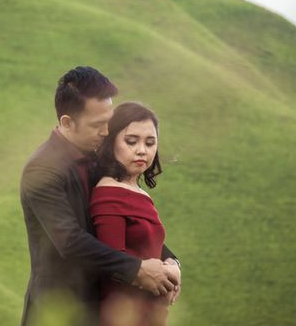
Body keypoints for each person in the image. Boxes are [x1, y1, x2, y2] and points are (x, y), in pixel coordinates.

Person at [19, 67, 181, 326]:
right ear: (67, 123)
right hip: (59, 311)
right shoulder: (42, 169)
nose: (107, 132)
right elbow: (70, 241)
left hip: (102, 308)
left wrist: (170, 261)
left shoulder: (98, 159)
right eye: (97, 125)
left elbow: (131, 221)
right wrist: (137, 270)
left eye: (108, 121)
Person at [90, 102, 181, 326]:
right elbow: (113, 265)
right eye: (131, 141)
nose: (142, 150)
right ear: (111, 144)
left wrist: (173, 266)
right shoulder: (108, 192)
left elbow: (149, 247)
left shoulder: (139, 193)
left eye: (150, 143)